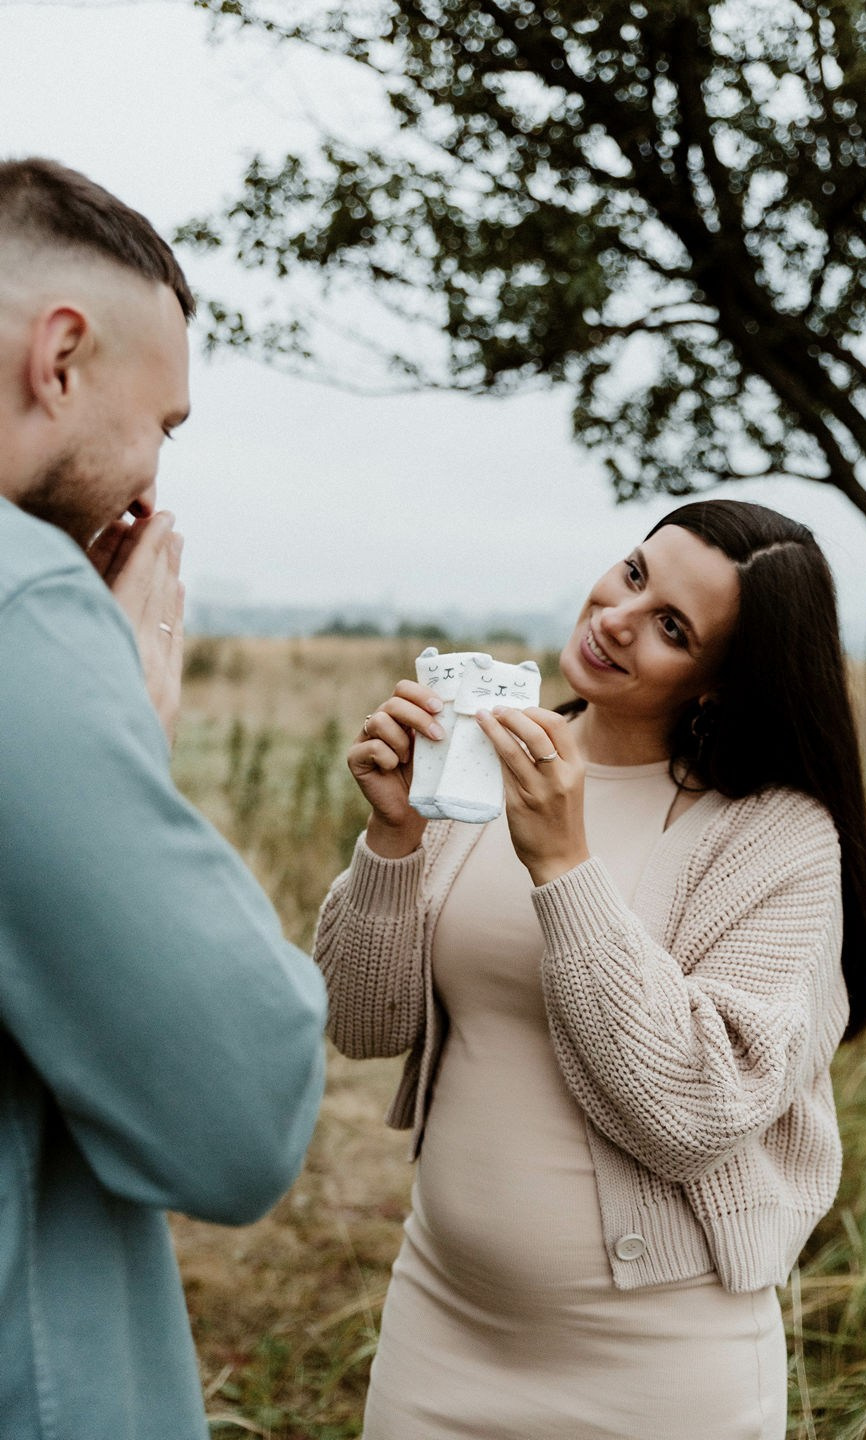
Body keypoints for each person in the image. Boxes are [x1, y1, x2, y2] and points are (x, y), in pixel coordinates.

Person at [314, 499, 866, 1439]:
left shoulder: (775, 835)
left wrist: (562, 867)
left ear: (722, 683)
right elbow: (359, 1022)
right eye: (632, 572)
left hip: (654, 1371)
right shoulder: (485, 760)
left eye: (671, 626)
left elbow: (695, 1113)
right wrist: (392, 838)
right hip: (439, 1330)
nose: (617, 617)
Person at [0, 157, 327, 1440]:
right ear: (61, 357)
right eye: (165, 426)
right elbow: (240, 1116)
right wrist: (120, 723)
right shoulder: (24, 608)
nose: (150, 485)